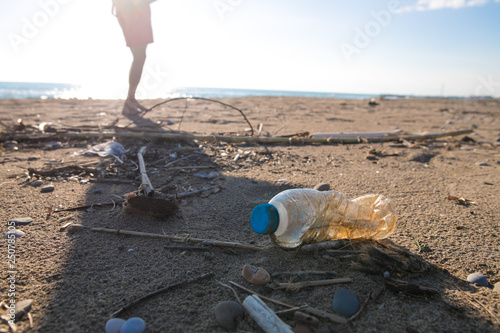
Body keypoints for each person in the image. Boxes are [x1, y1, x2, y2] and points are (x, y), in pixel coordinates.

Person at [113, 0, 157, 115]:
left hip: (130, 11)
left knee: (139, 57)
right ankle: (130, 100)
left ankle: (131, 99)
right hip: (133, 12)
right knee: (139, 57)